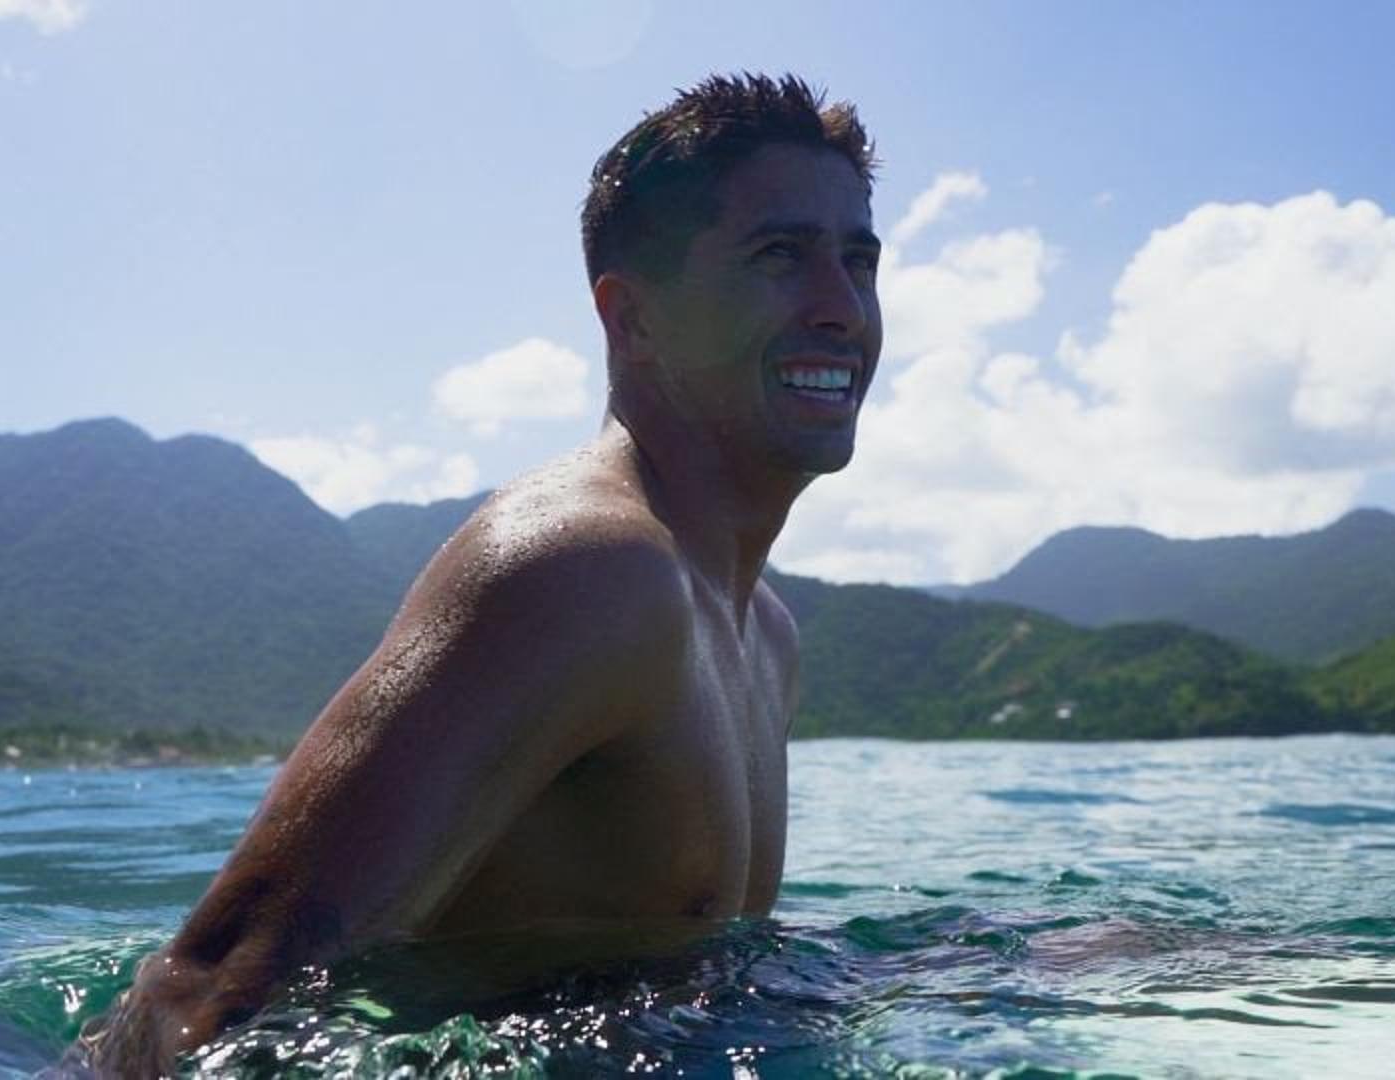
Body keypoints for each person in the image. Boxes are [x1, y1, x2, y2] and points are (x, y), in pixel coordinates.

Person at [80, 72, 882, 1075]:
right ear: (632, 319)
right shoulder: (586, 572)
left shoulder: (765, 634)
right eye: (781, 257)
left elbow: (677, 982)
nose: (841, 308)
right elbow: (207, 998)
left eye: (859, 261)